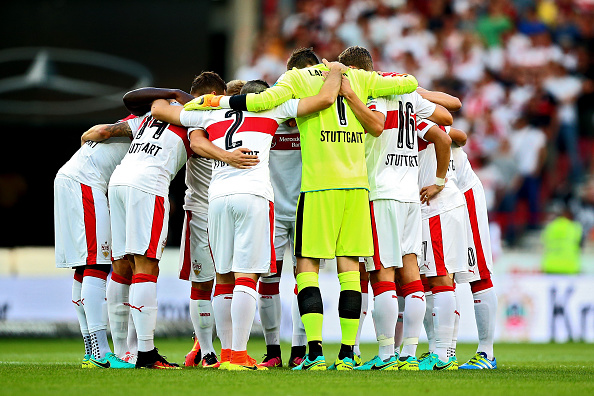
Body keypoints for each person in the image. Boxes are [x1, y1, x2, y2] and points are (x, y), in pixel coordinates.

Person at [185, 48, 419, 371]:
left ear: (292, 70)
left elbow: (259, 102)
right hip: (356, 186)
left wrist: (217, 102)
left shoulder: (294, 81)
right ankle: (349, 354)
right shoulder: (358, 77)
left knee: (305, 268)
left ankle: (313, 352)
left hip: (317, 187)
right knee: (350, 270)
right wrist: (348, 80)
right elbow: (409, 83)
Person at [149, 64, 345, 371]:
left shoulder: (212, 112)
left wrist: (193, 99)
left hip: (217, 199)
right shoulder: (271, 111)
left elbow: (159, 110)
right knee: (247, 277)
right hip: (253, 196)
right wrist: (335, 71)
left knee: (223, 278)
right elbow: (324, 100)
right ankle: (239, 356)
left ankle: (226, 355)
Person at [335, 45, 455, 371]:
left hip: (382, 193)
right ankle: (410, 355)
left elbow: (374, 124)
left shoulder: (369, 89)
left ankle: (387, 354)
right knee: (411, 272)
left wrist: (351, 96)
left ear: (355, 72)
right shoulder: (406, 93)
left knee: (382, 274)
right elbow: (444, 127)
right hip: (410, 192)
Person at [82, 91, 196, 369]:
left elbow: (106, 128)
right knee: (147, 266)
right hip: (148, 185)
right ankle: (145, 353)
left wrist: (88, 137)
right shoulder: (197, 116)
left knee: (121, 266)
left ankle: (123, 353)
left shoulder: (148, 116)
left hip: (118, 181)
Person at [55, 119, 136, 369]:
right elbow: (101, 132)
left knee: (83, 266)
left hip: (72, 178)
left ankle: (92, 351)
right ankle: (101, 353)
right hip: (86, 183)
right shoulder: (143, 123)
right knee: (97, 264)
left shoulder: (127, 121)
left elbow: (93, 133)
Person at [415, 120, 468, 371]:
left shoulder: (414, 117)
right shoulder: (415, 117)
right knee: (435, 280)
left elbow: (451, 137)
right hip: (440, 207)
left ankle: (444, 356)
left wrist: (439, 180)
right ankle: (442, 350)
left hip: (438, 207)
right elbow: (459, 136)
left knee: (440, 279)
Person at [447, 127, 499, 370]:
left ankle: (486, 352)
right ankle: (443, 350)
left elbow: (460, 135)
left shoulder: (421, 112)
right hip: (435, 199)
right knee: (436, 274)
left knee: (478, 273)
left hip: (463, 192)